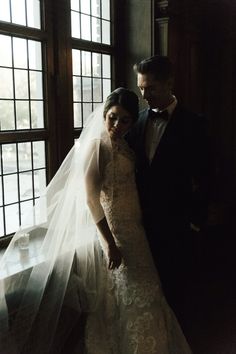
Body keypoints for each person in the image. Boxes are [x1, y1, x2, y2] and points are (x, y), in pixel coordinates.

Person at [0, 88, 192, 354]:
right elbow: (92, 198)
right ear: (105, 114)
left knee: (148, 292)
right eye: (113, 117)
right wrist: (109, 243)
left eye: (125, 120)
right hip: (115, 233)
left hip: (135, 230)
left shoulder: (124, 144)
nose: (117, 125)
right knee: (131, 293)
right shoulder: (96, 146)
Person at [126, 55, 209, 314]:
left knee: (176, 294)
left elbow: (207, 176)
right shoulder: (136, 121)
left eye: (150, 88)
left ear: (169, 83)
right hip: (140, 225)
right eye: (141, 88)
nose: (144, 94)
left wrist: (196, 220)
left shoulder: (195, 124)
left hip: (178, 226)